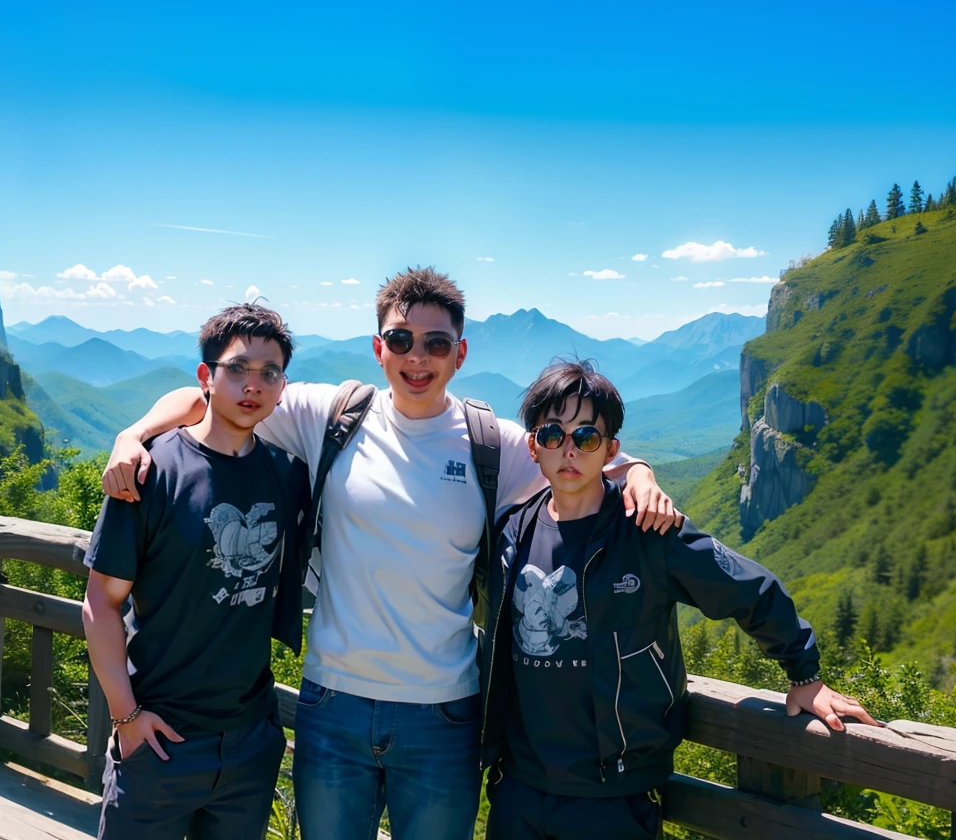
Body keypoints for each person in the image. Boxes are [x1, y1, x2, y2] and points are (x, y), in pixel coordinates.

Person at [104, 267, 680, 840]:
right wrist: (133, 435)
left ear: (460, 353)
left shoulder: (492, 444)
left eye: (436, 343)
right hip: (334, 705)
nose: (417, 357)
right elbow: (208, 393)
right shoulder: (330, 415)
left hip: (445, 714)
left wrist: (639, 473)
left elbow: (577, 454)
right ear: (379, 348)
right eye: (401, 340)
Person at [479, 360, 882, 839]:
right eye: (553, 435)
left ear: (610, 450)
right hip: (518, 788)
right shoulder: (511, 534)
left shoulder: (649, 532)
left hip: (614, 797)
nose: (568, 450)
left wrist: (805, 675)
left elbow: (748, 587)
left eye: (586, 437)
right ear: (533, 447)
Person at [82, 303, 310, 839]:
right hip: (160, 740)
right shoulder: (150, 471)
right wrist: (126, 718)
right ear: (207, 377)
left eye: (268, 373)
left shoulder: (288, 474)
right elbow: (101, 602)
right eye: (236, 368)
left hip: (249, 741)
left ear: (282, 388)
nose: (252, 385)